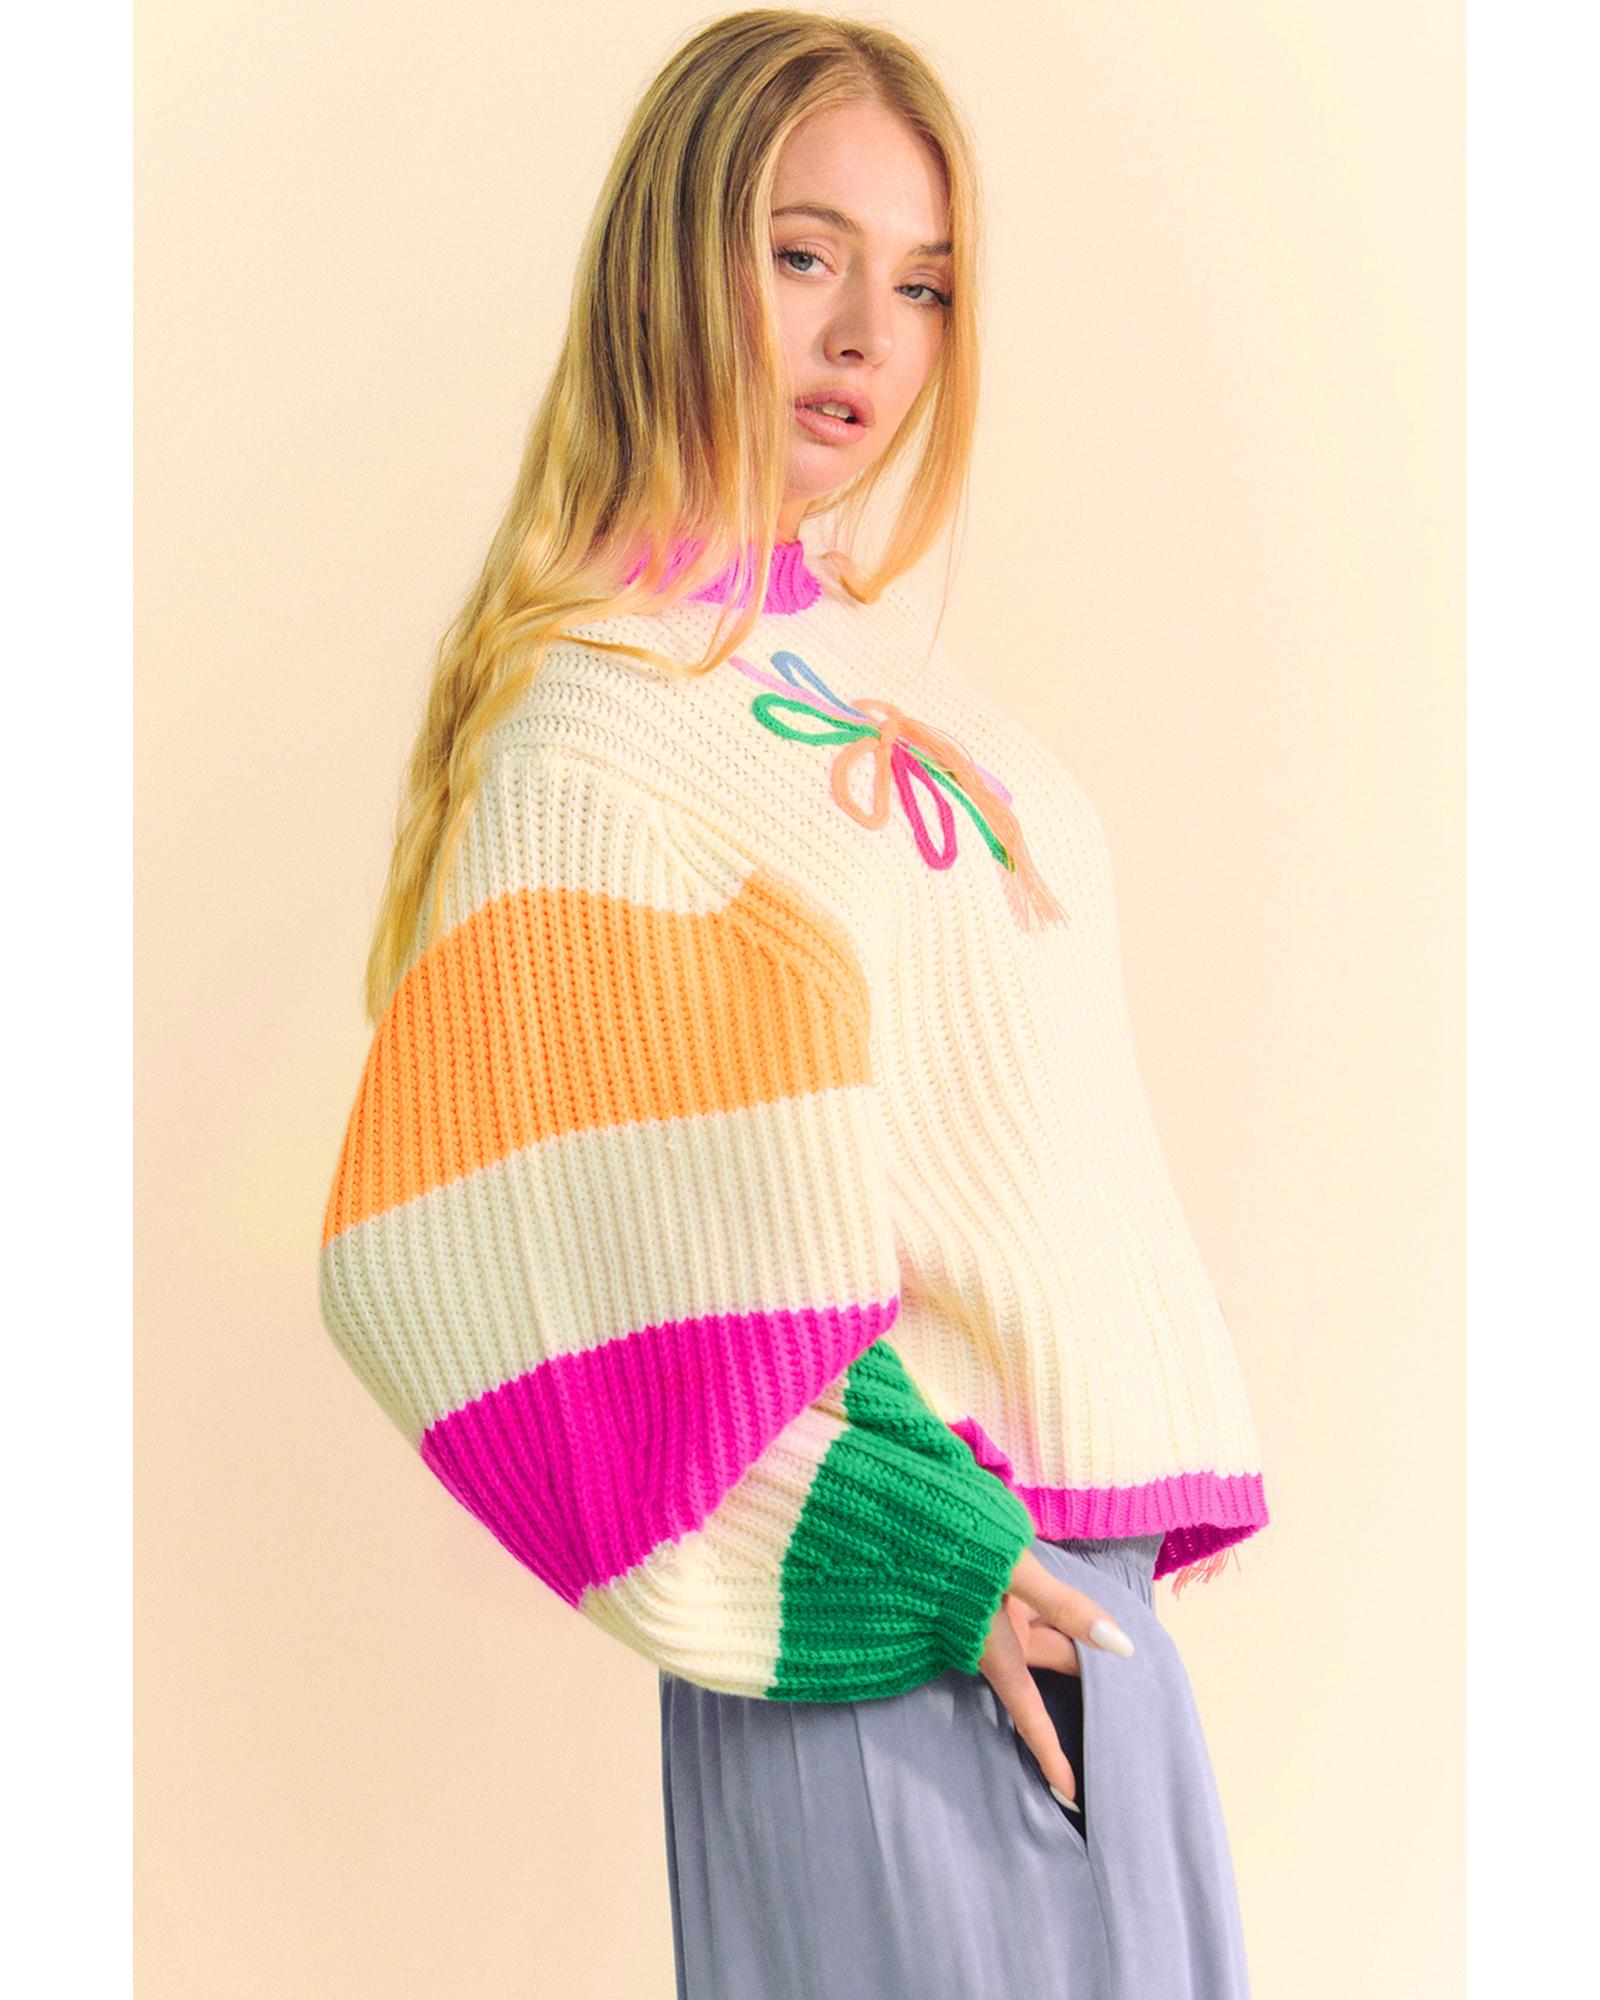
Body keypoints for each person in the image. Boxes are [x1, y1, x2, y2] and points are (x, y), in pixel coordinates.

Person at [317, 11, 1271, 1995]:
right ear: (673, 261)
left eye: (920, 283)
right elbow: (460, 1260)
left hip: (1063, 1617)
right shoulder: (603, 725)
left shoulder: (856, 672)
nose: (865, 336)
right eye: (803, 252)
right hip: (915, 1624)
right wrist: (920, 1552)